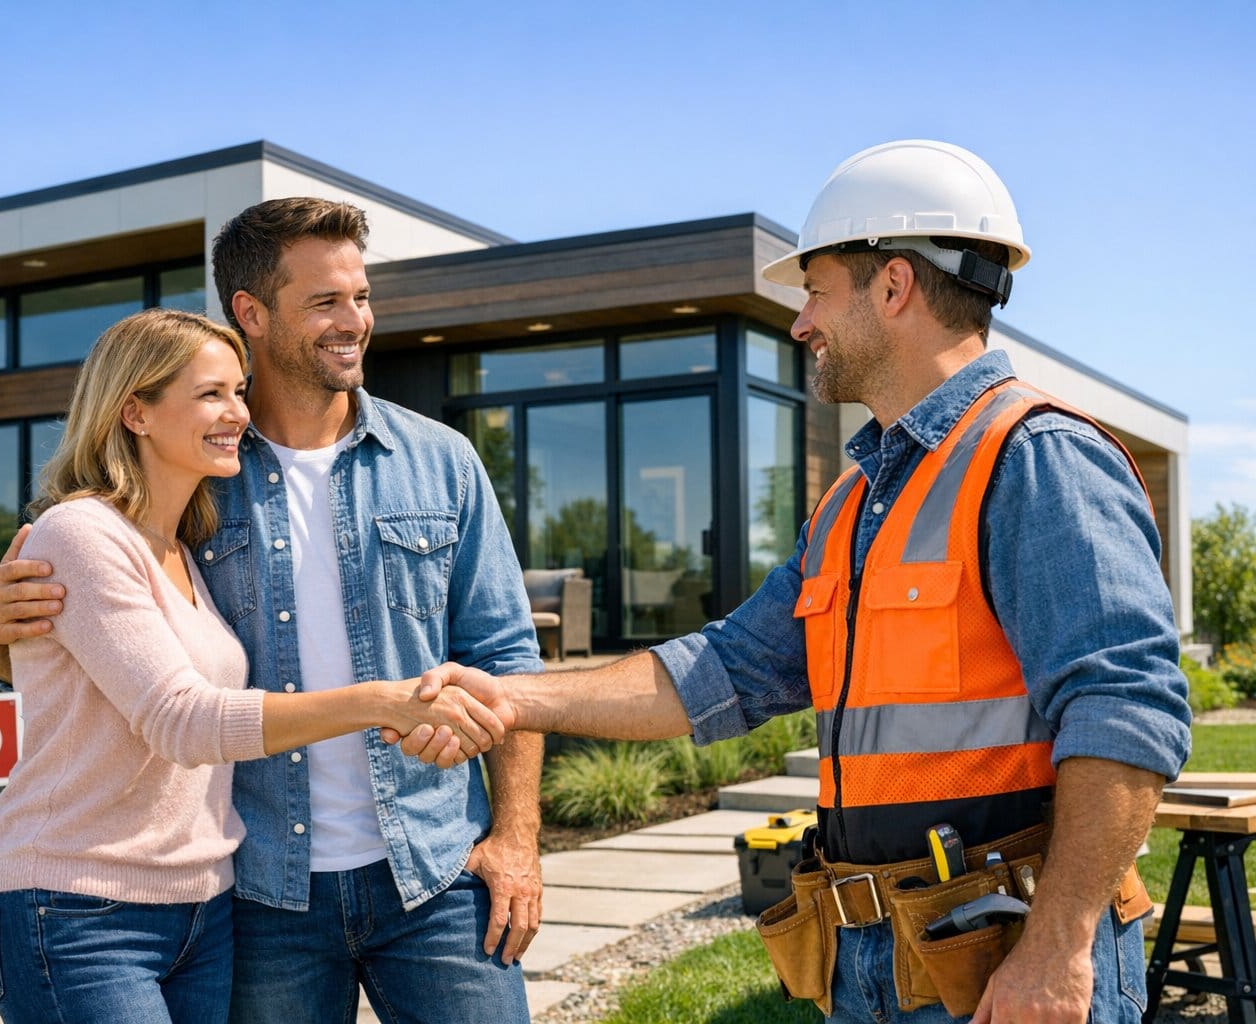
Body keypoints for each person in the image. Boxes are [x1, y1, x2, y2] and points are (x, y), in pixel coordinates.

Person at [405, 141, 1192, 1024]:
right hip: (879, 962)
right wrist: (513, 700)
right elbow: (723, 670)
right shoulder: (856, 499)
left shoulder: (1036, 458)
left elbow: (1126, 712)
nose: (801, 322)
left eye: (816, 289)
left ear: (894, 287)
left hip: (1004, 956)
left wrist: (1057, 947)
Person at [0, 201, 545, 1024]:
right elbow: (94, 637)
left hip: (436, 870)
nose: (356, 322)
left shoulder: (441, 463)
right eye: (325, 302)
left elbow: (507, 658)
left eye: (362, 296)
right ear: (251, 312)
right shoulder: (190, 480)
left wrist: (518, 840)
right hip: (263, 891)